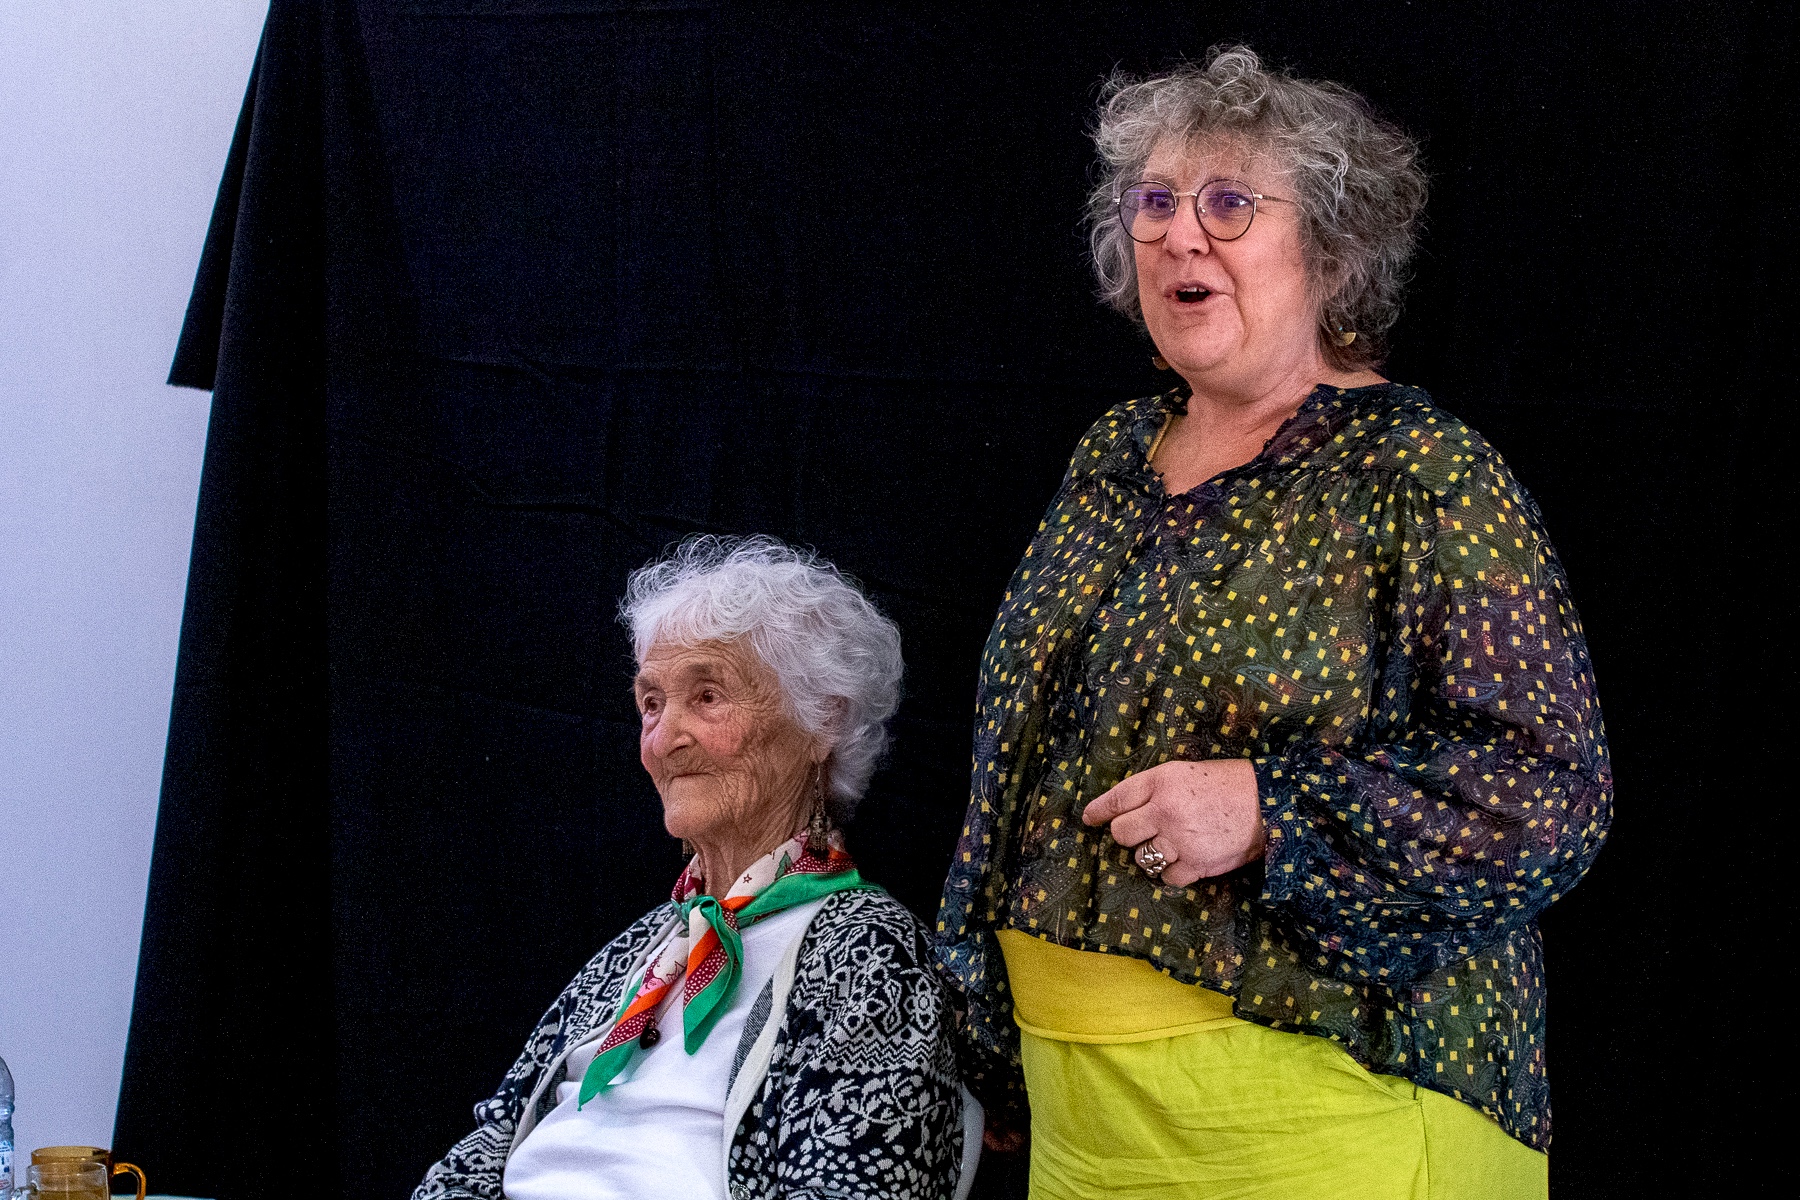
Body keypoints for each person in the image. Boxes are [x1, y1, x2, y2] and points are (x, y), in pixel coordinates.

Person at [935, 45, 1611, 1200]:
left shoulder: (1421, 475)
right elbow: (1013, 775)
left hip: (1320, 1121)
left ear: (1332, 253)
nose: (1180, 237)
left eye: (1230, 204)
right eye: (1156, 202)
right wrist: (986, 1040)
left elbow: (1551, 794)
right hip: (1084, 1131)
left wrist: (1270, 812)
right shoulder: (1109, 460)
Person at [416, 536, 974, 1200]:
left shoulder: (871, 953)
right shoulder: (650, 944)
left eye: (707, 696)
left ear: (823, 719)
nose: (664, 739)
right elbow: (486, 1145)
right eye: (651, 703)